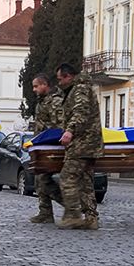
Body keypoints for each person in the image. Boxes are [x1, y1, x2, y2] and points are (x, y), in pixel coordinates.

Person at [55, 63, 103, 230]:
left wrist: (69, 131)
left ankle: (73, 215)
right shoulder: (81, 88)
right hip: (89, 145)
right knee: (86, 182)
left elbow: (80, 112)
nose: (59, 83)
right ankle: (91, 218)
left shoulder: (80, 89)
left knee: (67, 178)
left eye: (60, 79)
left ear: (69, 77)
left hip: (82, 144)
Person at [28, 74, 65, 224]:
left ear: (45, 85)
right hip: (41, 146)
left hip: (52, 146)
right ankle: (45, 212)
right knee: (39, 179)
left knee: (44, 180)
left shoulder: (55, 101)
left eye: (36, 86)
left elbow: (60, 125)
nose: (34, 89)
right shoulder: (41, 102)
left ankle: (71, 205)